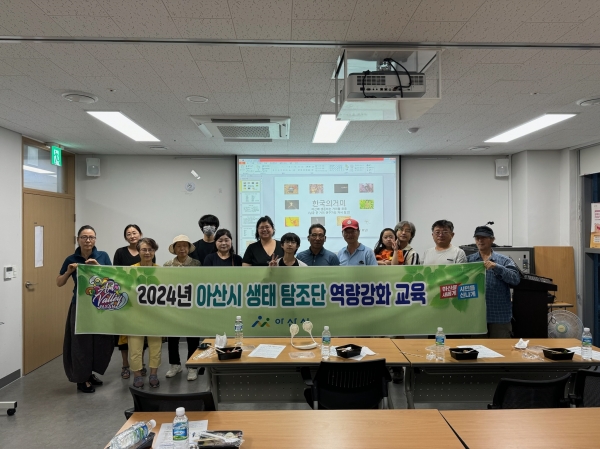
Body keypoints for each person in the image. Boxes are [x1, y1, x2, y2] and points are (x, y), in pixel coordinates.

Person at [56, 225, 113, 393]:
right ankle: (81, 379)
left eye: (91, 237)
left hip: (100, 305)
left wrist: (98, 267)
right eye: (84, 237)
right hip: (80, 305)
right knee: (80, 343)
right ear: (78, 239)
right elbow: (59, 282)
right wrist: (68, 271)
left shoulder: (102, 256)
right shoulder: (71, 258)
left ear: (95, 239)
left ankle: (90, 373)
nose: (88, 240)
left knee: (100, 341)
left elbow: (112, 279)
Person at [113, 224, 153, 380]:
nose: (132, 236)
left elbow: (151, 274)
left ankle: (140, 364)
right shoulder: (120, 252)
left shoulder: (147, 250)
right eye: (128, 234)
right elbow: (116, 273)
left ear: (140, 234)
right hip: (125, 296)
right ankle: (125, 365)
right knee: (125, 334)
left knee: (141, 332)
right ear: (125, 237)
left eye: (134, 232)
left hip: (142, 298)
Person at [467, 226, 520, 338]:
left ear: (492, 239)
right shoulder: (469, 261)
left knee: (501, 347)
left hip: (499, 315)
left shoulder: (504, 260)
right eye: (477, 238)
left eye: (483, 237)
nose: (480, 240)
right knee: (477, 347)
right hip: (476, 316)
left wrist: (497, 267)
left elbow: (515, 279)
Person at [163, 235, 201, 381]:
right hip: (174, 305)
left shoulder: (196, 264)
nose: (182, 248)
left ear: (189, 248)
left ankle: (192, 366)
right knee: (173, 337)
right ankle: (175, 364)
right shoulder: (167, 265)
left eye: (185, 245)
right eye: (178, 246)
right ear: (174, 249)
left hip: (191, 305)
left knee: (192, 337)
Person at [129, 237, 162, 388]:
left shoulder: (161, 271)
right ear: (138, 251)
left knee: (156, 346)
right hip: (135, 316)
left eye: (150, 249)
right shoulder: (131, 270)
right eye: (144, 249)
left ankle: (153, 374)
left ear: (154, 251)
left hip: (155, 316)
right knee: (135, 347)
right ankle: (137, 375)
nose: (147, 252)